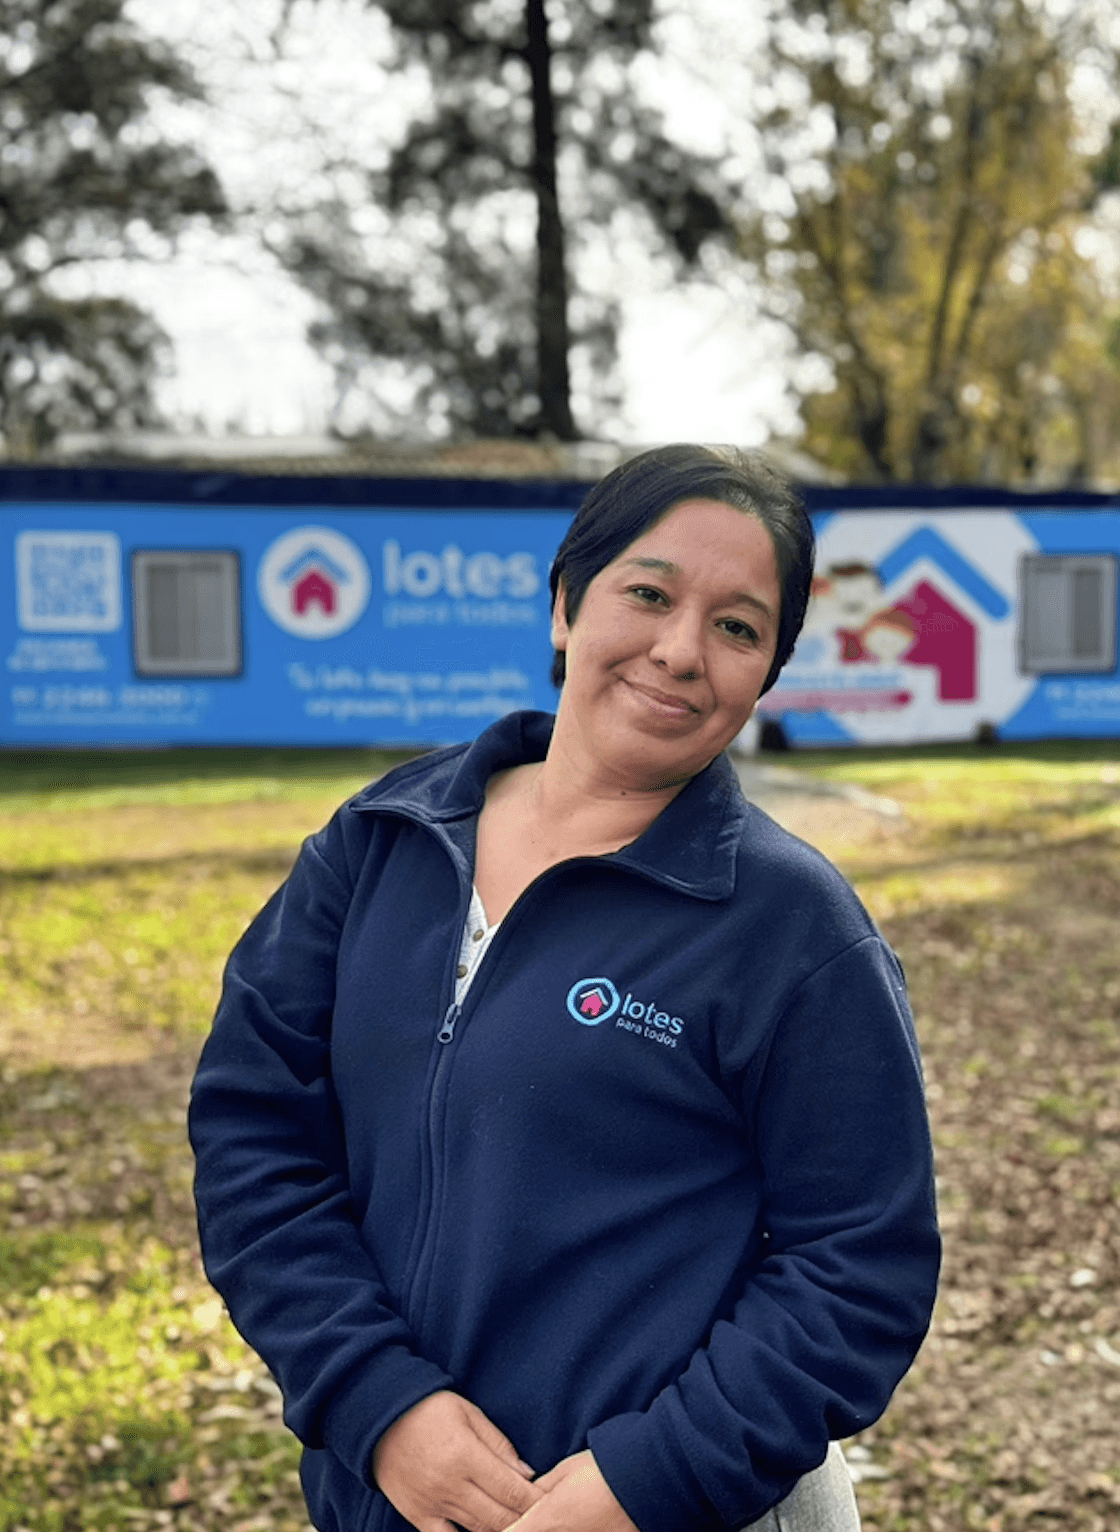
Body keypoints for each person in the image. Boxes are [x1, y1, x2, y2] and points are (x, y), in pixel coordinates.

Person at [189, 444, 941, 1532]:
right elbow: (255, 1135)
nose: (681, 651)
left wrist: (647, 1479)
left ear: (766, 671)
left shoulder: (791, 927)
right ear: (562, 604)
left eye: (737, 627)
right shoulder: (380, 844)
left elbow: (856, 1264)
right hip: (393, 1493)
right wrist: (378, 1399)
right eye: (647, 592)